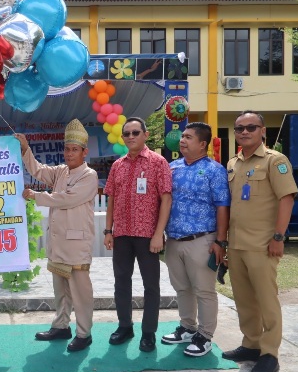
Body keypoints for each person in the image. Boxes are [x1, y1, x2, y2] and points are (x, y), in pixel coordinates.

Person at [222, 110, 298, 372]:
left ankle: (269, 354)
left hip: (263, 245)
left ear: (263, 131)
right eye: (239, 128)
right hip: (237, 245)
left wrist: (279, 237)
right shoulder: (233, 163)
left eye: (251, 127)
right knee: (244, 301)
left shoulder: (275, 161)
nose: (244, 132)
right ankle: (251, 345)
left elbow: (287, 198)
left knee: (267, 302)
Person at [16, 119, 99, 353]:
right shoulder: (61, 171)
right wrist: (25, 149)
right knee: (60, 288)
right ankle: (62, 326)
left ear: (84, 152)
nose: (69, 153)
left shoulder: (89, 175)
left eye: (74, 150)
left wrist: (36, 196)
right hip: (59, 241)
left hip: (76, 243)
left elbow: (67, 199)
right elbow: (38, 171)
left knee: (80, 292)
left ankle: (84, 333)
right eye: (67, 149)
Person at [103, 117, 172, 352]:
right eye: (127, 134)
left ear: (145, 135)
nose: (130, 137)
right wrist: (108, 230)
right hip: (121, 234)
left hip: (147, 235)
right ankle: (125, 326)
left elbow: (166, 199)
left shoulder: (158, 162)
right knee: (121, 283)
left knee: (151, 285)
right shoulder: (117, 165)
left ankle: (148, 333)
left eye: (135, 132)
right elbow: (111, 198)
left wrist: (158, 234)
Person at [162, 122, 230, 357]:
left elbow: (223, 206)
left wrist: (220, 242)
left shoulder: (214, 170)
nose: (182, 140)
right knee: (182, 288)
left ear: (202, 144)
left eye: (188, 137)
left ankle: (205, 336)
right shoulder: (172, 167)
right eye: (182, 136)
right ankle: (187, 327)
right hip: (173, 240)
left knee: (204, 290)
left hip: (202, 239)